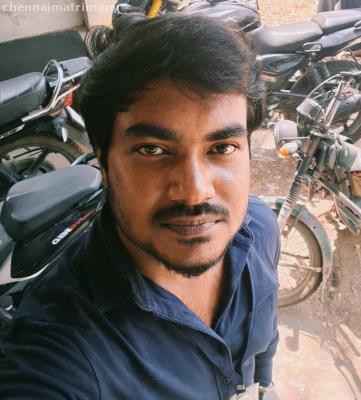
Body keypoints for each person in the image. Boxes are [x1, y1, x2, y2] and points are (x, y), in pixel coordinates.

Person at [0, 14, 280, 400]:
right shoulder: (60, 354)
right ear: (103, 161)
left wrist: (263, 381)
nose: (195, 192)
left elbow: (263, 338)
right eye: (152, 150)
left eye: (221, 148)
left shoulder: (260, 229)